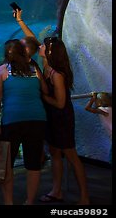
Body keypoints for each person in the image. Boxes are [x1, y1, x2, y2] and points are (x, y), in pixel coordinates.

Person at [0, 39, 48, 205]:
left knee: (7, 165)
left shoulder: (2, 70)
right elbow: (45, 90)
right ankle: (29, 201)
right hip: (37, 119)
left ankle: (8, 202)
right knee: (33, 164)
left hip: (12, 121)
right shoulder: (34, 69)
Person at [38, 36, 90, 205]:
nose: (39, 46)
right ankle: (56, 191)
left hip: (62, 119)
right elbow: (32, 39)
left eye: (43, 45)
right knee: (54, 153)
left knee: (71, 156)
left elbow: (60, 103)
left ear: (50, 51)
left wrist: (44, 97)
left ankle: (84, 197)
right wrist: (20, 21)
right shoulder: (46, 67)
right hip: (52, 118)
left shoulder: (57, 74)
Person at [85, 92, 112, 163]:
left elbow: (87, 108)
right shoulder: (109, 109)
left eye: (97, 100)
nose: (96, 102)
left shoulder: (104, 110)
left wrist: (92, 99)